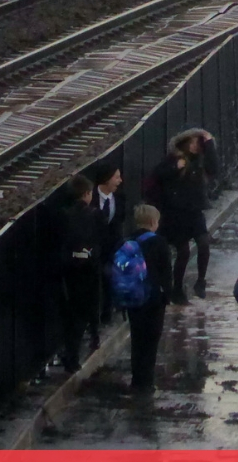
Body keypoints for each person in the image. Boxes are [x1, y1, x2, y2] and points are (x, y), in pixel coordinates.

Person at [154, 128, 219, 304]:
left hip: (194, 212)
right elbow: (158, 175)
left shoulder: (200, 161)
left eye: (198, 143)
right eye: (193, 143)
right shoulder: (174, 159)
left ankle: (200, 282)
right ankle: (177, 289)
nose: (196, 146)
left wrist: (209, 142)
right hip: (176, 214)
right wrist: (176, 167)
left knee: (204, 243)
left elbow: (214, 167)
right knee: (183, 252)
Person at [57, 175, 102, 373]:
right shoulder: (94, 215)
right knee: (86, 309)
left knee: (72, 312)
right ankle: (88, 342)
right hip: (89, 268)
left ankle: (70, 354)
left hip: (68, 268)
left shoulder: (63, 215)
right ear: (86, 194)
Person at [126, 203, 172, 393]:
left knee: (137, 339)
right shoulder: (159, 243)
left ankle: (136, 379)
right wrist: (167, 296)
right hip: (153, 299)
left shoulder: (129, 241)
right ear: (154, 222)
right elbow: (166, 273)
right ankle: (147, 381)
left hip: (133, 297)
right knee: (151, 340)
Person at [90, 161, 126, 330]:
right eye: (116, 177)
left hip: (111, 248)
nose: (120, 181)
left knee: (110, 277)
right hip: (93, 248)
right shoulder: (91, 197)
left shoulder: (119, 198)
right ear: (106, 179)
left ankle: (107, 312)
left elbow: (119, 223)